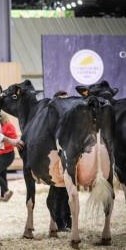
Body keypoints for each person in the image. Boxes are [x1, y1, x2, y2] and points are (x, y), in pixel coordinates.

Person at [53, 90, 72, 231]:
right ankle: (59, 223)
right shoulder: (53, 120)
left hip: (68, 161)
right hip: (56, 162)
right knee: (58, 194)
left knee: (67, 194)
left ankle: (68, 222)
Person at [0, 113, 17, 202]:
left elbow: (14, 139)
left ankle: (7, 191)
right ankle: (4, 195)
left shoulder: (9, 126)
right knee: (2, 174)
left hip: (8, 154)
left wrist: (3, 143)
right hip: (1, 154)